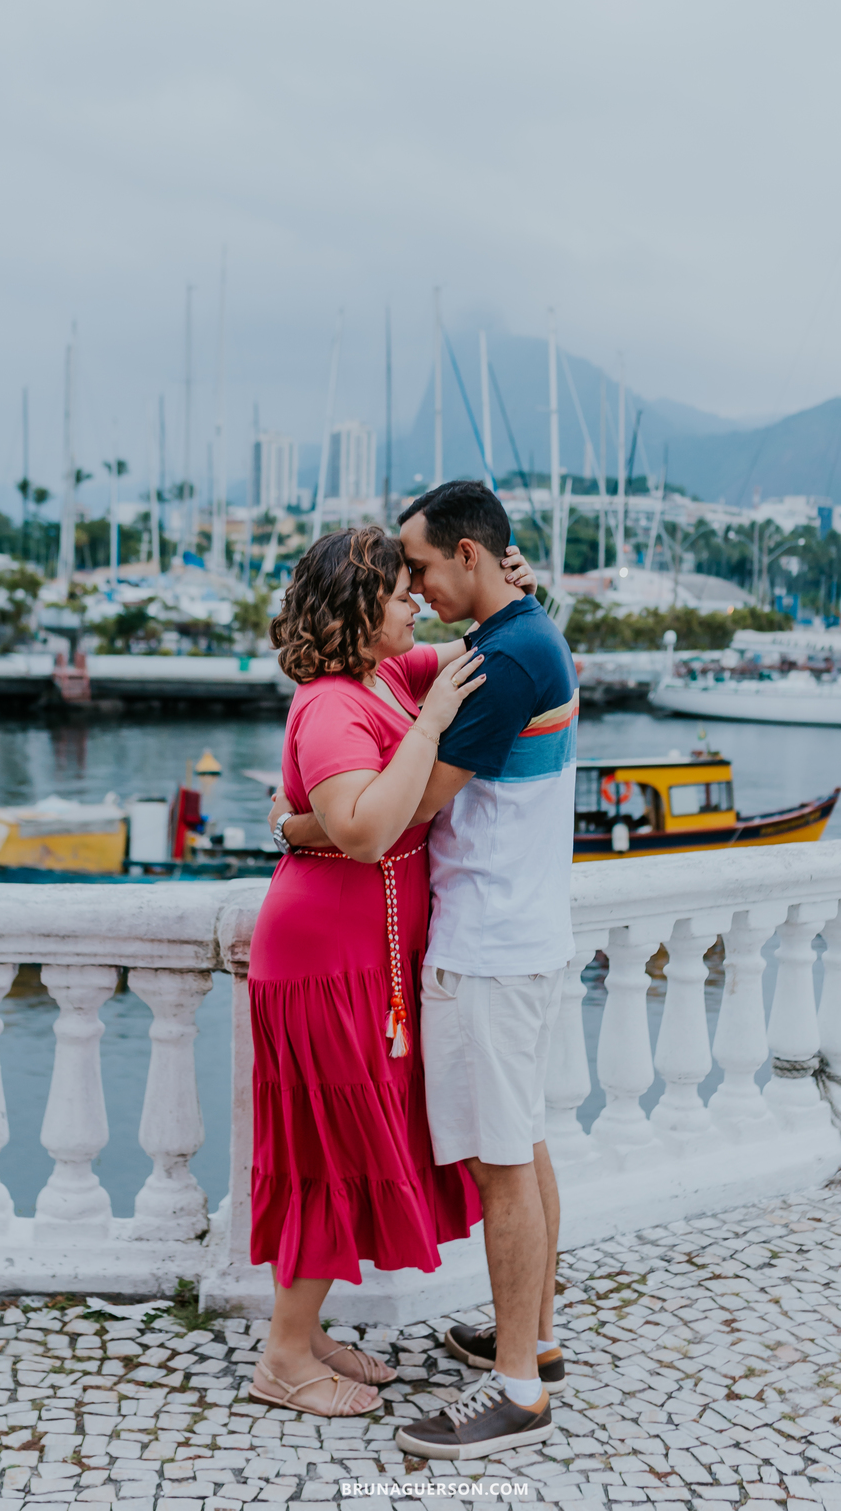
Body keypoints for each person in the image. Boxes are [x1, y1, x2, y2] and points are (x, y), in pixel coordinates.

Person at [246, 523, 488, 1419]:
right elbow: (361, 828)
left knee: (336, 1144)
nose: (413, 603)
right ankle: (280, 1357)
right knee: (325, 1152)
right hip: (323, 961)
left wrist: (514, 588)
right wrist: (427, 727)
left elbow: (482, 647)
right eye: (397, 594)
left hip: (360, 958)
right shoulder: (330, 706)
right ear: (359, 607)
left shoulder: (386, 675)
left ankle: (303, 1335)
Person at [391, 480, 579, 1465]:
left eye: (420, 565)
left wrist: (310, 820)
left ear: (471, 554)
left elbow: (414, 808)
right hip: (529, 934)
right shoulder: (530, 631)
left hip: (491, 947)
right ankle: (533, 1344)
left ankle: (515, 1393)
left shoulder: (502, 663)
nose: (413, 586)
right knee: (527, 1146)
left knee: (502, 1168)